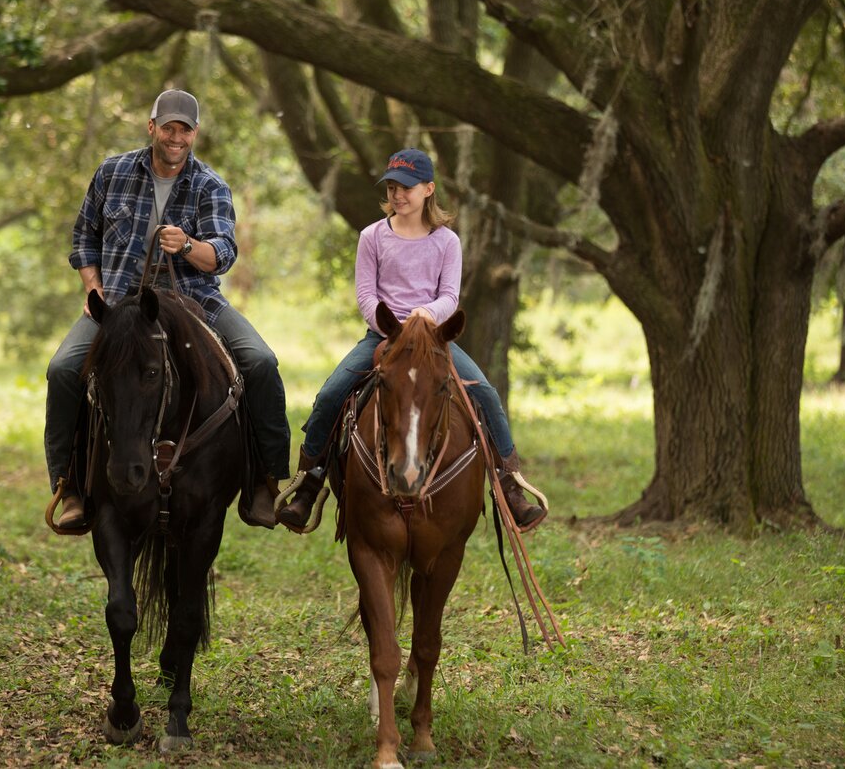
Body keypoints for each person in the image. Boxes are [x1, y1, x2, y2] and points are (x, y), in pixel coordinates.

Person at [45, 89, 289, 531]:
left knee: (260, 361)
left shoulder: (209, 185)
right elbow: (84, 238)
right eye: (169, 128)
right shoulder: (112, 172)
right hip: (119, 303)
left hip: (194, 302)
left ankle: (264, 481)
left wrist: (188, 245)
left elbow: (224, 253)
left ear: (195, 134)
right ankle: (70, 487)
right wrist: (93, 288)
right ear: (152, 127)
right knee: (63, 369)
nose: (176, 138)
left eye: (185, 130)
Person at [275, 148, 547, 533]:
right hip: (383, 337)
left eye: (406, 187)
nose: (398, 194)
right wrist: (393, 329)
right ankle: (310, 482)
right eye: (392, 187)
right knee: (331, 394)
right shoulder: (372, 236)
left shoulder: (446, 241)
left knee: (484, 393)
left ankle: (509, 485)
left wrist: (428, 317)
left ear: (428, 189)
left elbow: (449, 296)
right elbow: (367, 296)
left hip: (432, 341)